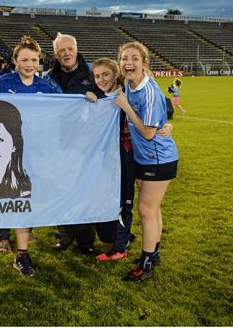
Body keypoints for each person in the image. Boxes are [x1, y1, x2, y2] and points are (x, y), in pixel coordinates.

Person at [0, 36, 61, 280]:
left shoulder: (48, 86)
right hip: (2, 156)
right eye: (24, 59)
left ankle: (22, 255)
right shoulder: (2, 82)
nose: (29, 64)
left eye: (33, 59)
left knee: (22, 204)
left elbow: (65, 109)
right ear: (15, 60)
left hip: (32, 156)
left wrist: (88, 101)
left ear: (39, 61)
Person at [85, 58, 173, 262]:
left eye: (105, 74)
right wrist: (88, 102)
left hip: (132, 156)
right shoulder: (95, 96)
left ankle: (121, 247)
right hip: (110, 159)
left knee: (131, 202)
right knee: (121, 201)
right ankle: (122, 239)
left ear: (116, 74)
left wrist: (168, 126)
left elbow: (157, 114)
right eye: (97, 76)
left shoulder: (128, 90)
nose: (101, 79)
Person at [115, 42, 178, 282]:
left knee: (145, 210)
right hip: (145, 158)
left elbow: (149, 133)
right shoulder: (131, 83)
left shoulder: (147, 90)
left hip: (158, 159)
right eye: (124, 58)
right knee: (153, 208)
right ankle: (155, 252)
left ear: (144, 63)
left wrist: (126, 106)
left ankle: (146, 263)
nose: (128, 63)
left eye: (134, 59)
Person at [44, 32, 98, 254]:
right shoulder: (47, 78)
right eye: (61, 51)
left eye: (69, 49)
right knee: (62, 189)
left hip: (86, 143)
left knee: (85, 188)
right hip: (59, 143)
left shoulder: (94, 74)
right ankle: (63, 237)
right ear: (56, 54)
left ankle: (86, 241)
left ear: (76, 50)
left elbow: (112, 96)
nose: (66, 53)